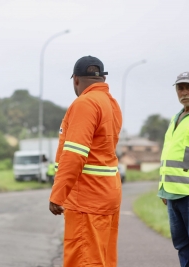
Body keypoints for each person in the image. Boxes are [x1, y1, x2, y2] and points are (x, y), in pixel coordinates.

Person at [49, 56, 122, 267]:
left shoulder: (85, 103)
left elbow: (74, 154)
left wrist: (58, 193)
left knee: (83, 259)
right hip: (107, 194)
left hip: (87, 197)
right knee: (102, 258)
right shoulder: (112, 104)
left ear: (76, 80)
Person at [158, 72, 189, 267]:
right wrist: (163, 188)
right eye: (180, 88)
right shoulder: (177, 118)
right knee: (182, 246)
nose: (184, 92)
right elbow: (169, 155)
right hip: (172, 194)